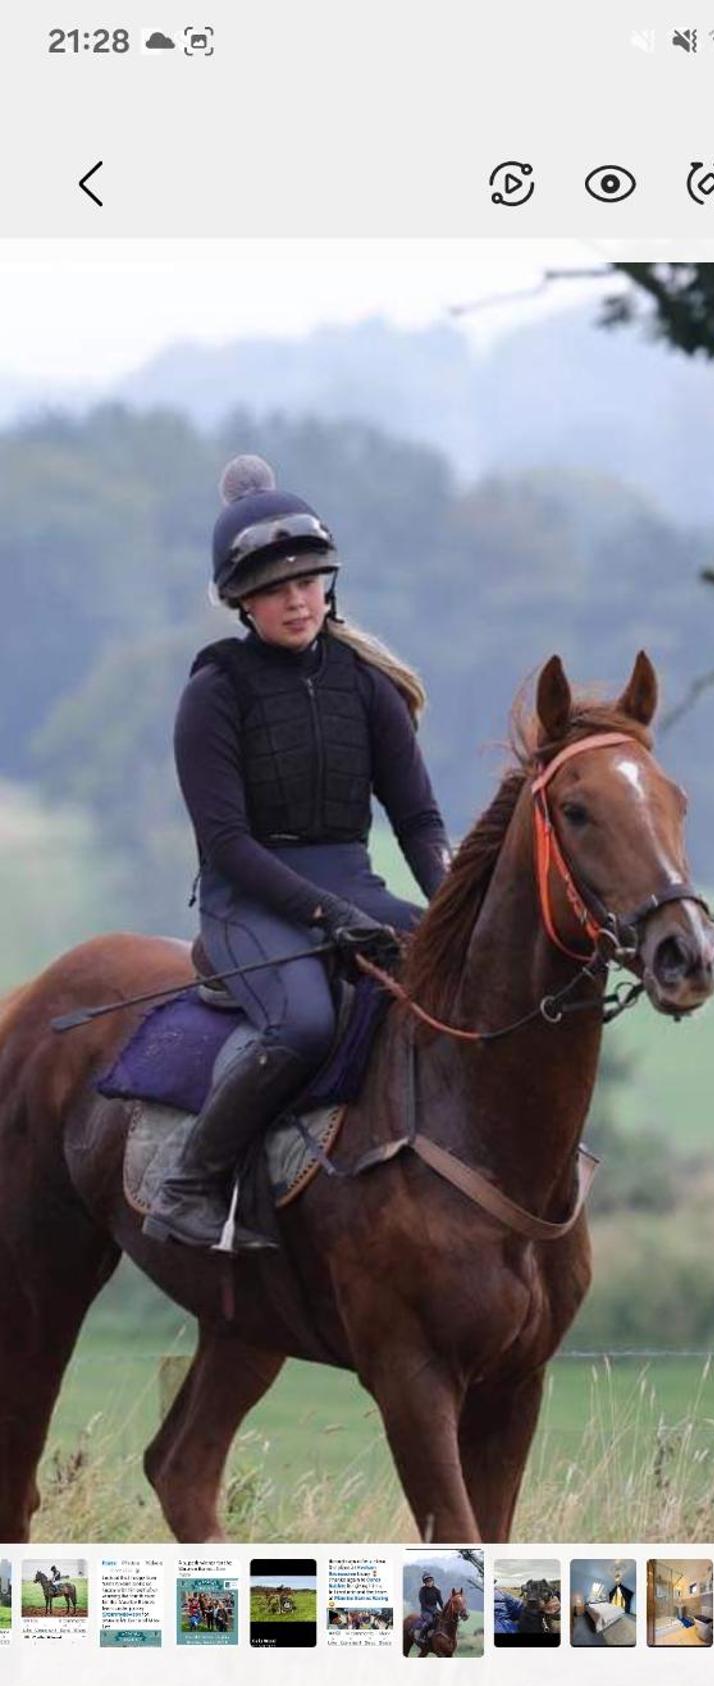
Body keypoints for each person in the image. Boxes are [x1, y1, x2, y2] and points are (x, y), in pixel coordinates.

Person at [143, 454, 452, 1250]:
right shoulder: (214, 693)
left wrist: (454, 911)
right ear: (242, 601)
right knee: (306, 1025)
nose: (297, 600)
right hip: (248, 903)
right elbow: (226, 844)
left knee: (464, 984)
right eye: (277, 588)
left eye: (309, 582)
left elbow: (419, 821)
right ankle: (191, 1183)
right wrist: (327, 915)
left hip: (354, 889)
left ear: (329, 585)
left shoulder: (368, 686)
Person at [415, 1571, 444, 1650]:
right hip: (425, 1611)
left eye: (430, 1580)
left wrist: (443, 1610)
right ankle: (421, 1636)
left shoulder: (437, 1590)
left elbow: (440, 1602)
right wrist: (432, 1611)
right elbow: (423, 1604)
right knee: (430, 1621)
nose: (429, 1582)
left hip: (435, 1609)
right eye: (427, 1581)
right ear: (424, 1582)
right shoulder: (422, 1590)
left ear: (433, 1580)